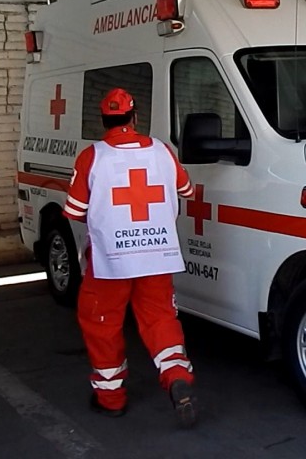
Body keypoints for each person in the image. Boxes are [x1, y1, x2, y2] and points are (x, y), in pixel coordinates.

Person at [62, 87, 198, 428]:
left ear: (103, 120)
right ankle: (176, 375)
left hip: (110, 262)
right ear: (135, 118)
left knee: (102, 322)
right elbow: (187, 190)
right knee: (160, 319)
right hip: (157, 256)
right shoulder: (162, 151)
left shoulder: (92, 156)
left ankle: (111, 399)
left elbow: (74, 211)